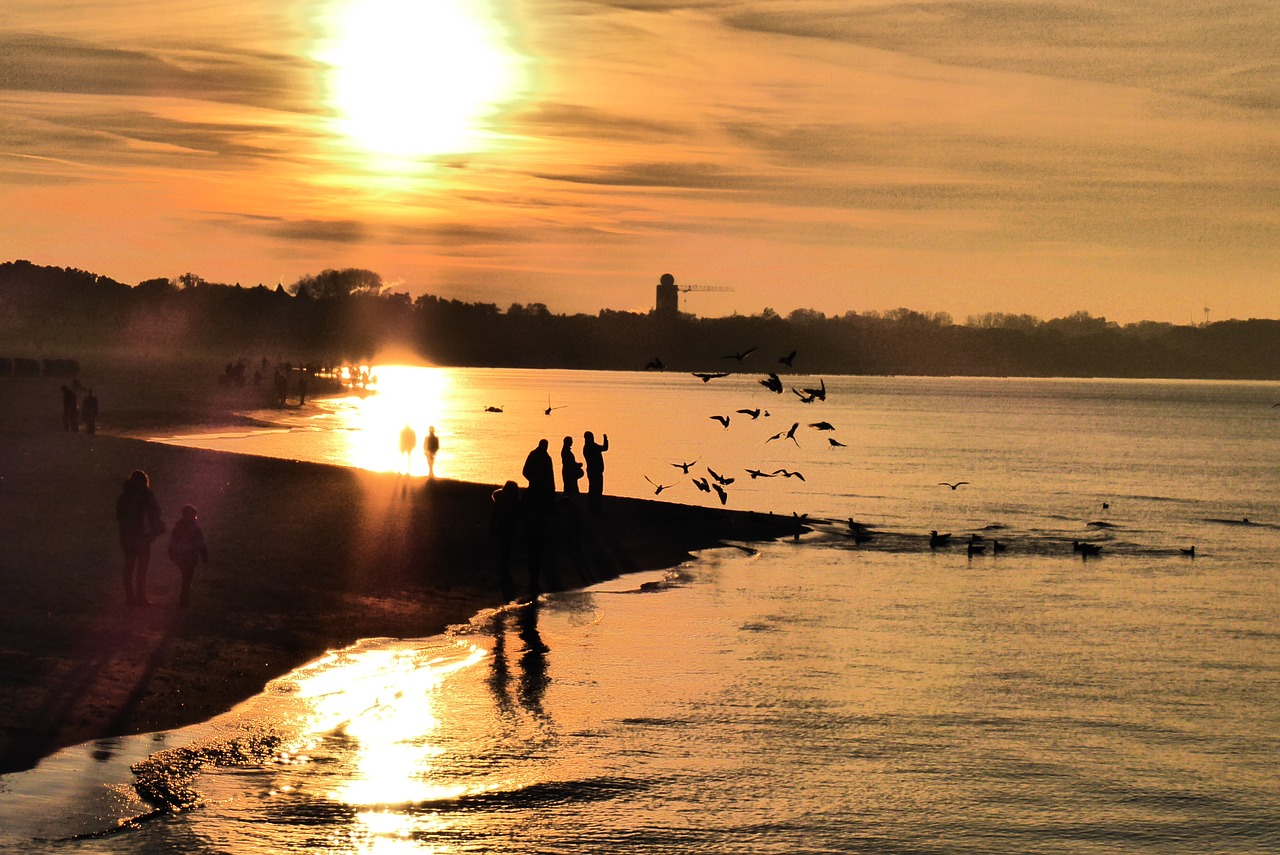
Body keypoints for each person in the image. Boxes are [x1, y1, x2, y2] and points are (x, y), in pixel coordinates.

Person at [116, 470, 164, 606]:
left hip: (127, 536)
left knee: (128, 566)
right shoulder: (147, 495)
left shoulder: (124, 495)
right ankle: (141, 596)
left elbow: (119, 515)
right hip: (143, 537)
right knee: (142, 568)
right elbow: (156, 512)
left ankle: (129, 597)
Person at [167, 504, 209, 608]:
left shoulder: (178, 527)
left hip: (180, 556)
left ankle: (183, 598)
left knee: (186, 576)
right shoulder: (196, 529)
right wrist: (204, 556)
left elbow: (173, 542)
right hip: (190, 556)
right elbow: (201, 544)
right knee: (187, 577)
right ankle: (184, 599)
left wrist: (171, 553)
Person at [490, 480, 521, 601]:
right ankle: (505, 572)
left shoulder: (500, 501)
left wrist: (492, 527)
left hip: (502, 527)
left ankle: (504, 571)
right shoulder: (514, 502)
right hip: (509, 528)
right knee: (506, 550)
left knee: (505, 550)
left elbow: (494, 515)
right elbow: (518, 516)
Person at [582, 430, 609, 511]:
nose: (593, 438)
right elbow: (605, 448)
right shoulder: (593, 447)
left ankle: (591, 506)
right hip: (596, 472)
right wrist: (605, 439)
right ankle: (596, 507)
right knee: (597, 489)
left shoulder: (586, 447)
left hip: (591, 471)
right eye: (592, 437)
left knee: (592, 489)